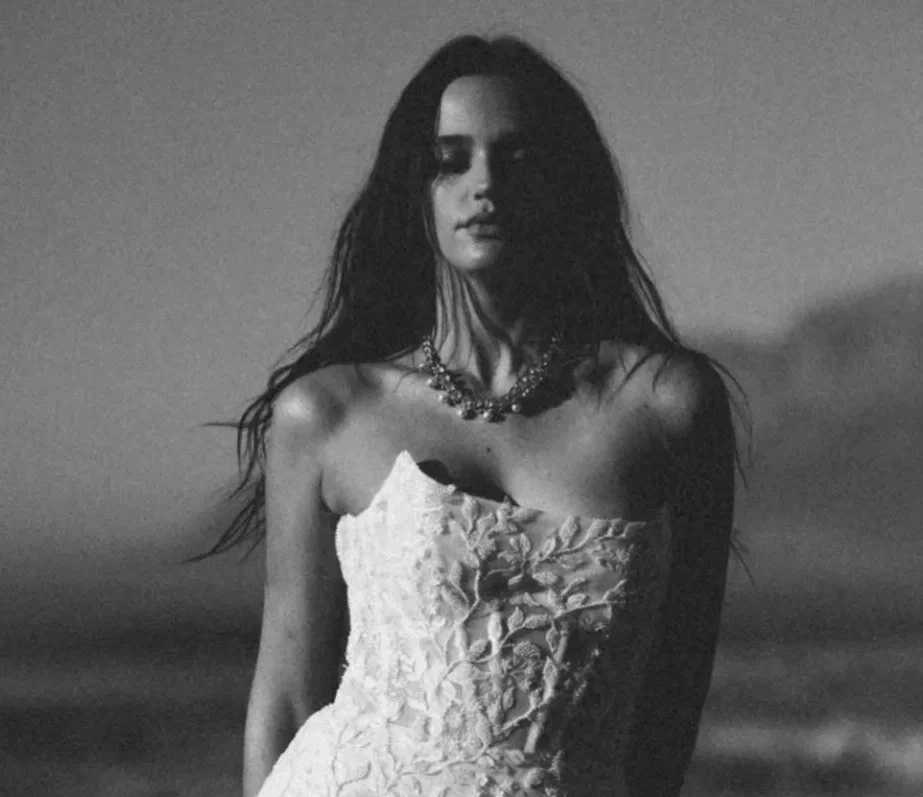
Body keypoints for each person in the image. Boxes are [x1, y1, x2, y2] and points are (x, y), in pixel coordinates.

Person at [207, 34, 743, 797]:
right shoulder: (325, 414)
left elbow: (675, 688)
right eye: (449, 159)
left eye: (516, 158)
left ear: (562, 183)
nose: (482, 183)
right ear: (413, 188)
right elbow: (288, 695)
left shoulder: (666, 405)